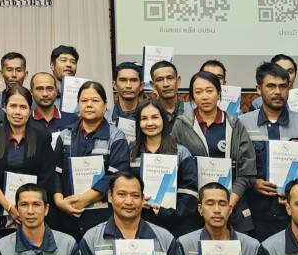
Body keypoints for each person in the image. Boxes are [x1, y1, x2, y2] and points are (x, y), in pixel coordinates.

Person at [244, 61, 298, 241]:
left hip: (296, 214)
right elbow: (235, 165)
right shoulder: (243, 123)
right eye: (271, 86)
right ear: (258, 89)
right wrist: (252, 182)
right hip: (255, 212)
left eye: (283, 86)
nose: (277, 92)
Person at [171, 70, 256, 232]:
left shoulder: (235, 125)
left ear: (219, 93)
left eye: (209, 91)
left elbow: (247, 172)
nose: (204, 96)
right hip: (193, 208)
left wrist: (228, 204)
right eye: (198, 92)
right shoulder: (181, 125)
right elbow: (173, 166)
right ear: (192, 97)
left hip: (231, 205)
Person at [50, 82, 130, 237]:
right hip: (67, 214)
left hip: (101, 216)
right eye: (84, 101)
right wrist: (59, 202)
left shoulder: (116, 137)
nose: (89, 105)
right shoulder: (65, 135)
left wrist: (83, 200)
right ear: (78, 104)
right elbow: (55, 172)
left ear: (105, 104)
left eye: (95, 100)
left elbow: (116, 176)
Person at [0, 87, 56, 231]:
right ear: (5, 107)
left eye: (23, 107)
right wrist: (9, 207)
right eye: (13, 106)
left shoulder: (42, 137)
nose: (17, 112)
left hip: (32, 213)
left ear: (30, 109)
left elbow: (46, 177)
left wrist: (26, 207)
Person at [128, 102, 197, 236]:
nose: (150, 123)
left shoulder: (181, 152)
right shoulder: (130, 152)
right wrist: (136, 202)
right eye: (144, 118)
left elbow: (190, 193)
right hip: (136, 223)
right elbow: (122, 185)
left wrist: (169, 213)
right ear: (138, 123)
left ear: (163, 120)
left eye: (155, 117)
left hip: (173, 226)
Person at [110, 62, 145, 136]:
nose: (128, 85)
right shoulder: (105, 118)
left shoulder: (150, 118)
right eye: (123, 80)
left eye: (133, 80)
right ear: (114, 85)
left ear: (141, 86)